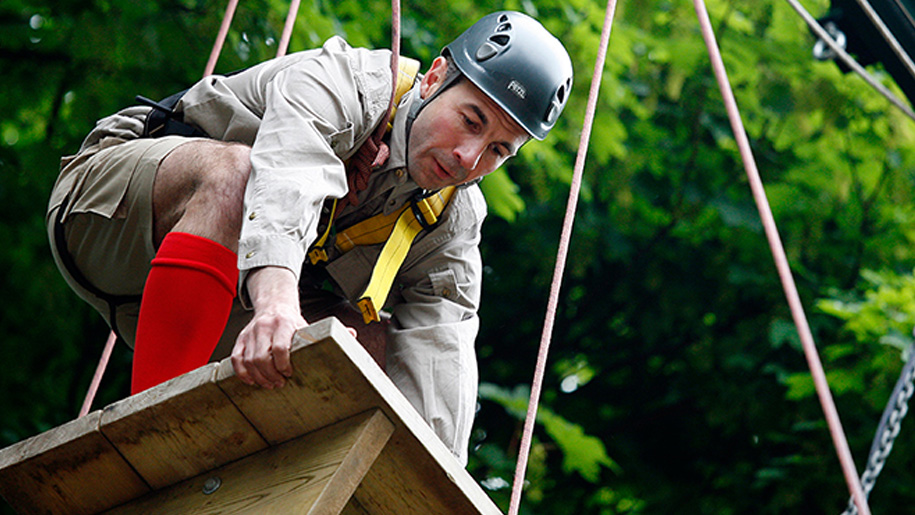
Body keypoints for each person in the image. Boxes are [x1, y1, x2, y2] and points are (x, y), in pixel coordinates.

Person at [46, 11, 572, 463]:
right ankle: (154, 441)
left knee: (374, 352)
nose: (468, 157)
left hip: (214, 305)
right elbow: (288, 173)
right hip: (109, 216)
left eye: (499, 151)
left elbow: (443, 351)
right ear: (435, 78)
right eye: (471, 120)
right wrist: (275, 302)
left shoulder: (451, 220)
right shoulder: (350, 83)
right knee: (239, 174)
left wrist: (439, 487)